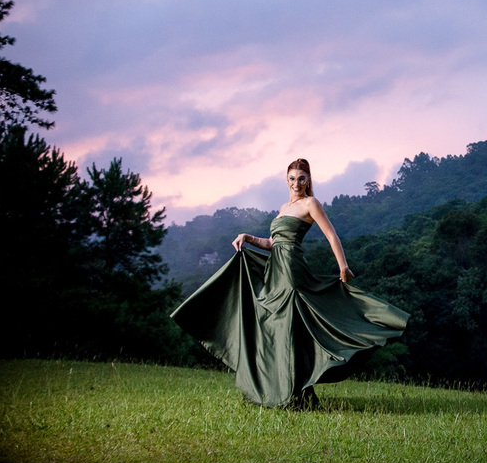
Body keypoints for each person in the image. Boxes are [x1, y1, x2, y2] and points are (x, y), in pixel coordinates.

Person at [172, 158, 409, 409]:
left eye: (302, 178)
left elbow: (331, 234)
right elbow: (273, 243)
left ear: (309, 180)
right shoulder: (284, 208)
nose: (297, 183)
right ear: (287, 180)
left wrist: (343, 267)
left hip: (292, 271)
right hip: (274, 270)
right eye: (293, 179)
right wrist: (247, 237)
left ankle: (293, 394)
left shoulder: (311, 203)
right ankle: (278, 390)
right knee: (272, 326)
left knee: (287, 327)